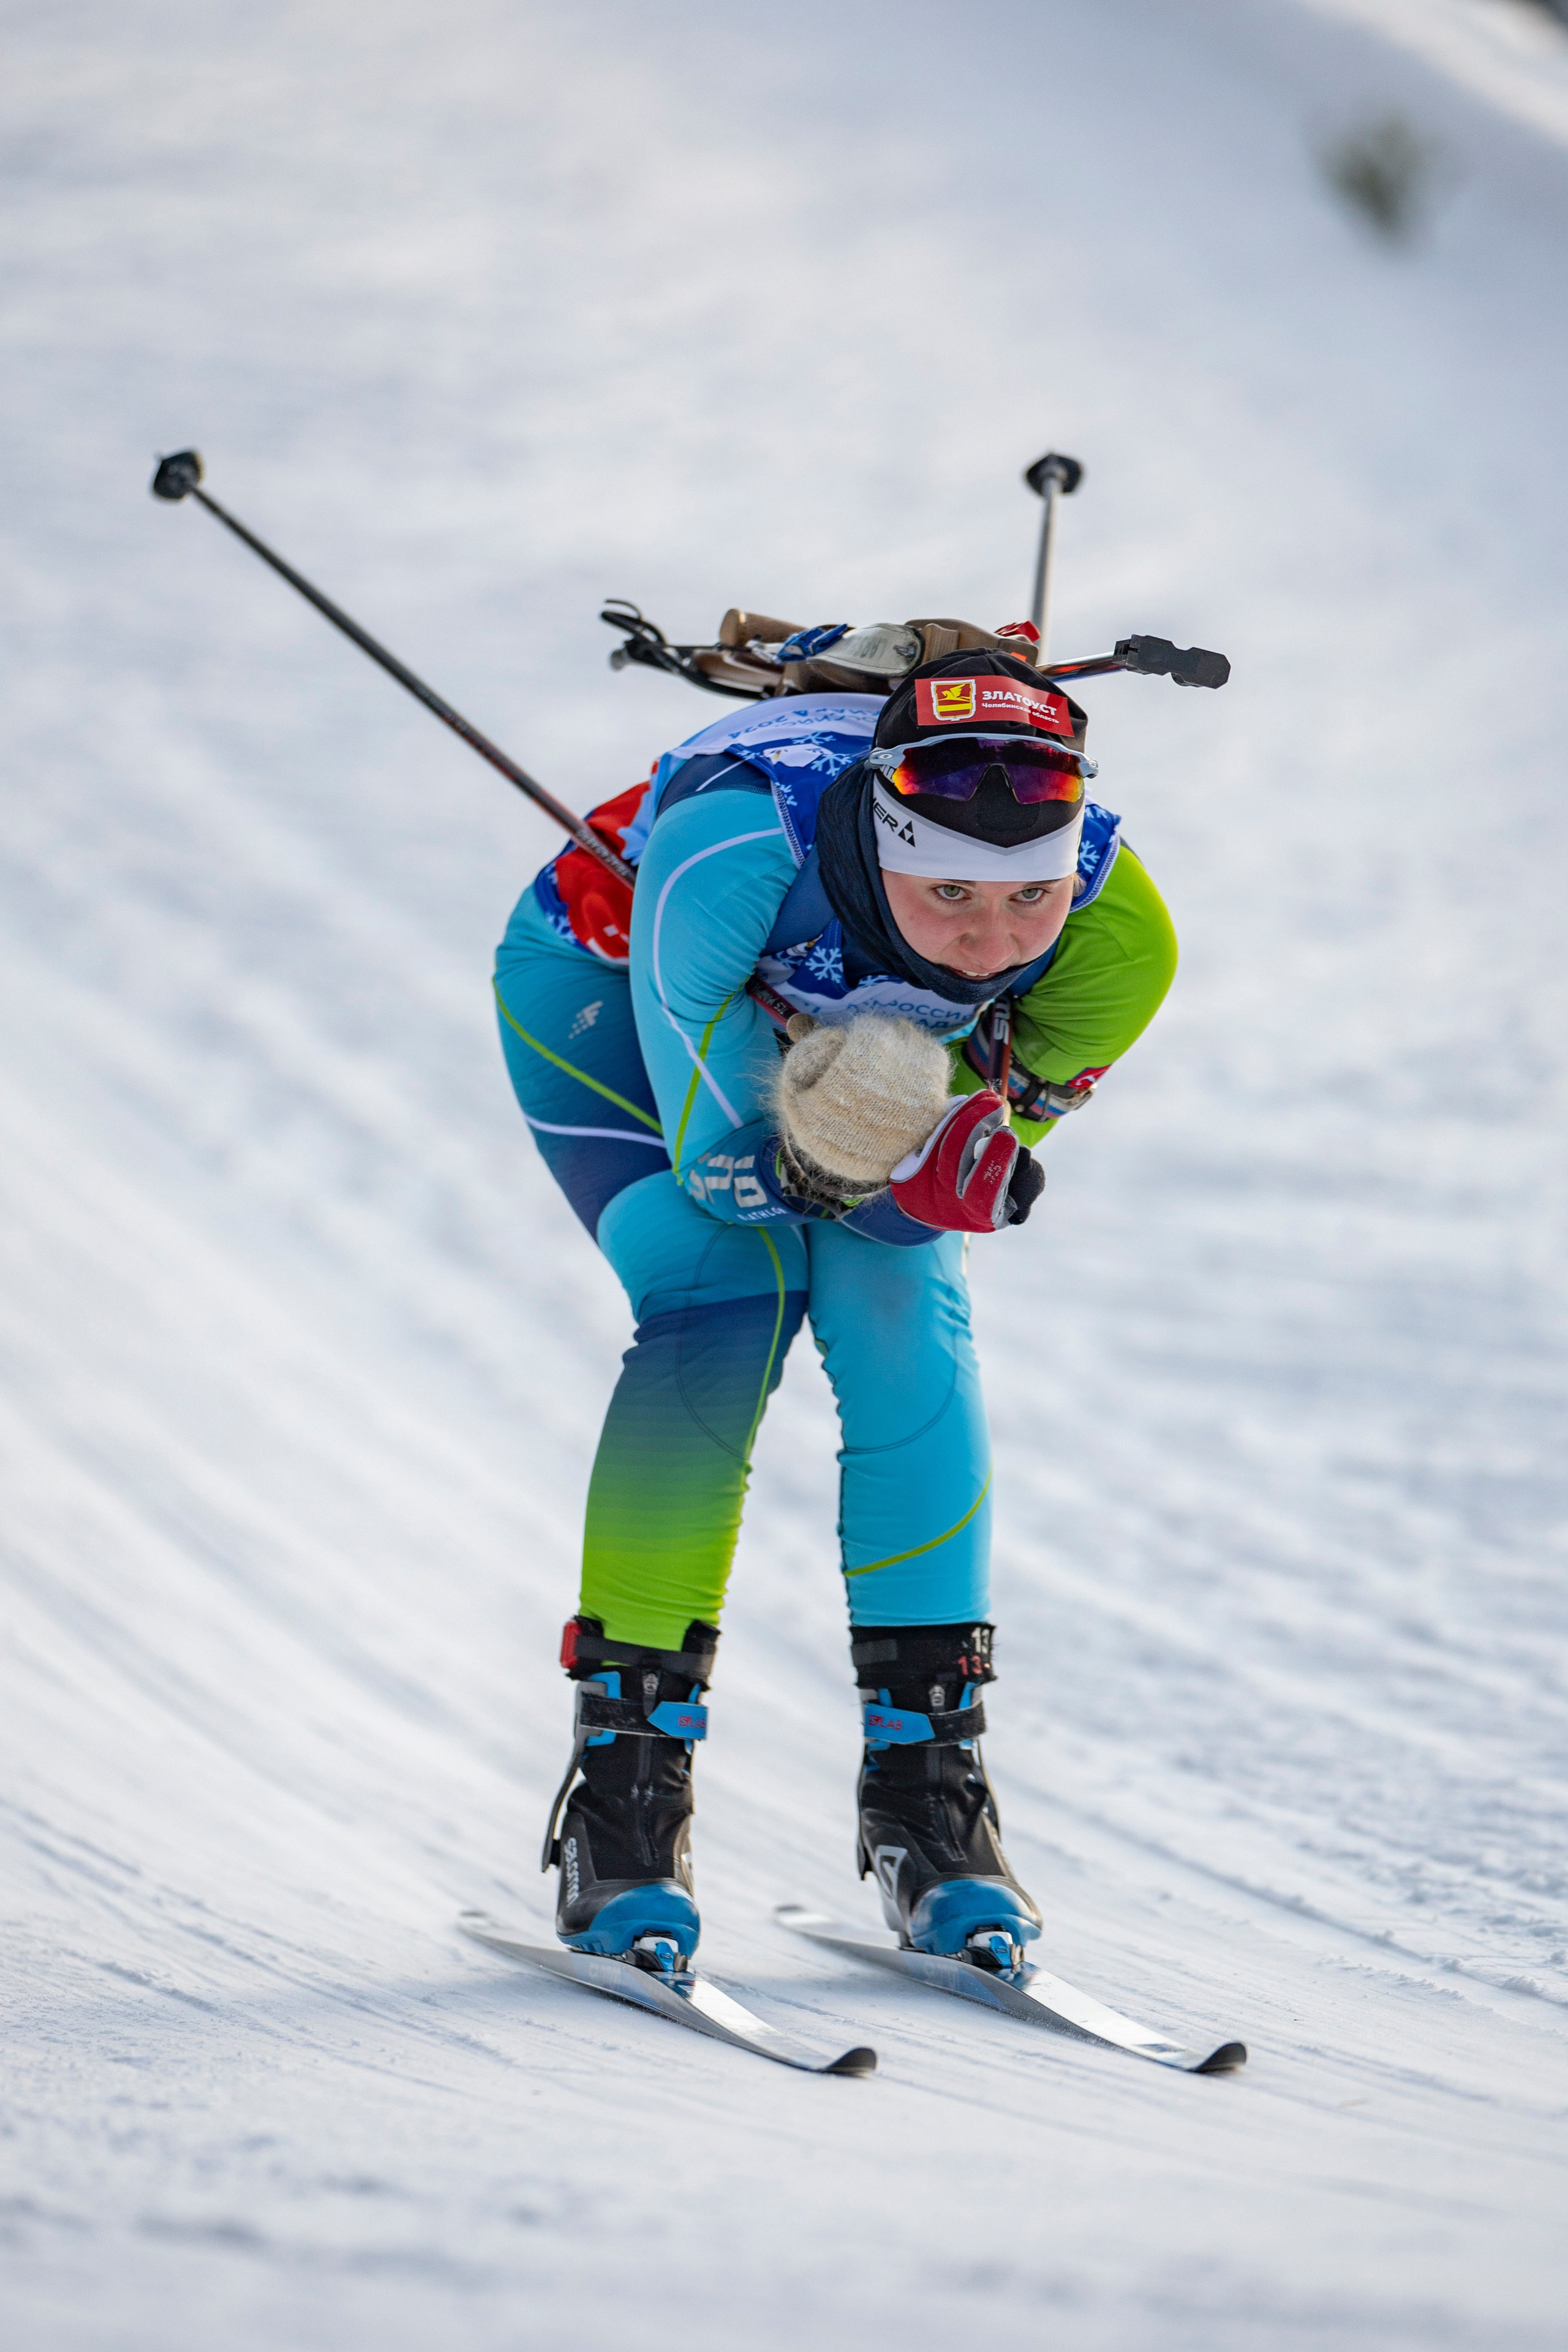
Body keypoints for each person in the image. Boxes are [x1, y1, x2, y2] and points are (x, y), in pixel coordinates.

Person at [494, 638, 1177, 1976]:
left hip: (850, 1041)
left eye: (1027, 901)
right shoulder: (728, 861)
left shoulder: (1115, 939)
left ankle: (931, 1795)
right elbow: (727, 1171)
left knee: (899, 1314)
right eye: (948, 900)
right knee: (724, 1293)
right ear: (879, 841)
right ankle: (623, 1801)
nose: (992, 942)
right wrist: (854, 1138)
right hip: (605, 985)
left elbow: (945, 1165)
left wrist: (928, 1159)